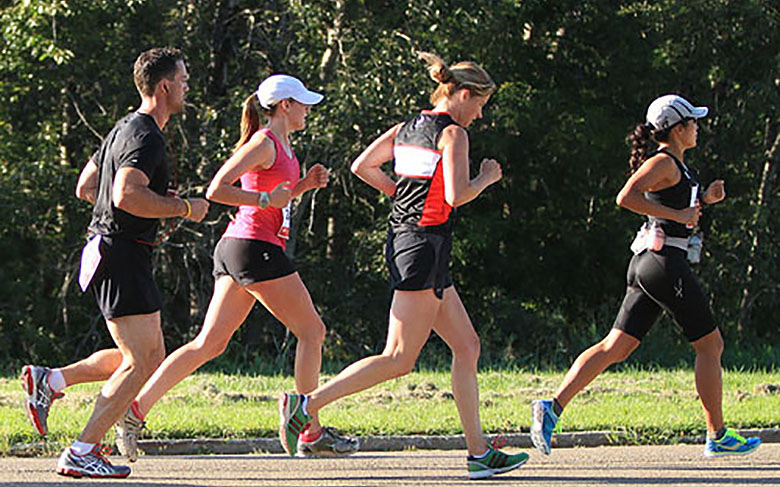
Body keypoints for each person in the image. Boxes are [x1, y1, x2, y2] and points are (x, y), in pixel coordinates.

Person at [278, 52, 528, 480]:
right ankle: (307, 403)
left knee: (467, 347)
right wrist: (486, 178)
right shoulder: (453, 135)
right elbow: (455, 195)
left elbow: (362, 166)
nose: (481, 114)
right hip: (424, 247)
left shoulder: (408, 127)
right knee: (397, 357)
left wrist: (400, 192)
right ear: (463, 94)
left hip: (413, 242)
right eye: (480, 103)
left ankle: (478, 453)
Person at [111, 74, 358, 461]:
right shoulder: (263, 141)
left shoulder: (285, 146)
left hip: (242, 248)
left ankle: (133, 410)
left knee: (209, 344)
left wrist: (304, 185)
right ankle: (308, 427)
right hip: (252, 247)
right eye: (303, 103)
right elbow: (216, 189)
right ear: (285, 106)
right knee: (313, 331)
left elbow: (277, 196)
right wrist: (264, 197)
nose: (309, 110)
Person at [530, 94, 762, 459]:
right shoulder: (663, 162)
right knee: (711, 345)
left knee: (616, 347)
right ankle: (717, 435)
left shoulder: (676, 166)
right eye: (693, 123)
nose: (698, 128)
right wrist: (680, 216)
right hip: (664, 265)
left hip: (650, 264)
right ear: (678, 128)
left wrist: (704, 199)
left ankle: (551, 407)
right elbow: (626, 197)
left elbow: (675, 205)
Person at [34, 47, 210, 478]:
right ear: (165, 86)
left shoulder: (122, 128)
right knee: (141, 360)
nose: (187, 87)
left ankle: (52, 381)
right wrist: (183, 207)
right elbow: (126, 194)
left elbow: (86, 186)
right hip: (121, 255)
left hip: (113, 249)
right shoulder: (147, 135)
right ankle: (81, 450)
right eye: (183, 80)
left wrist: (129, 214)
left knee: (146, 355)